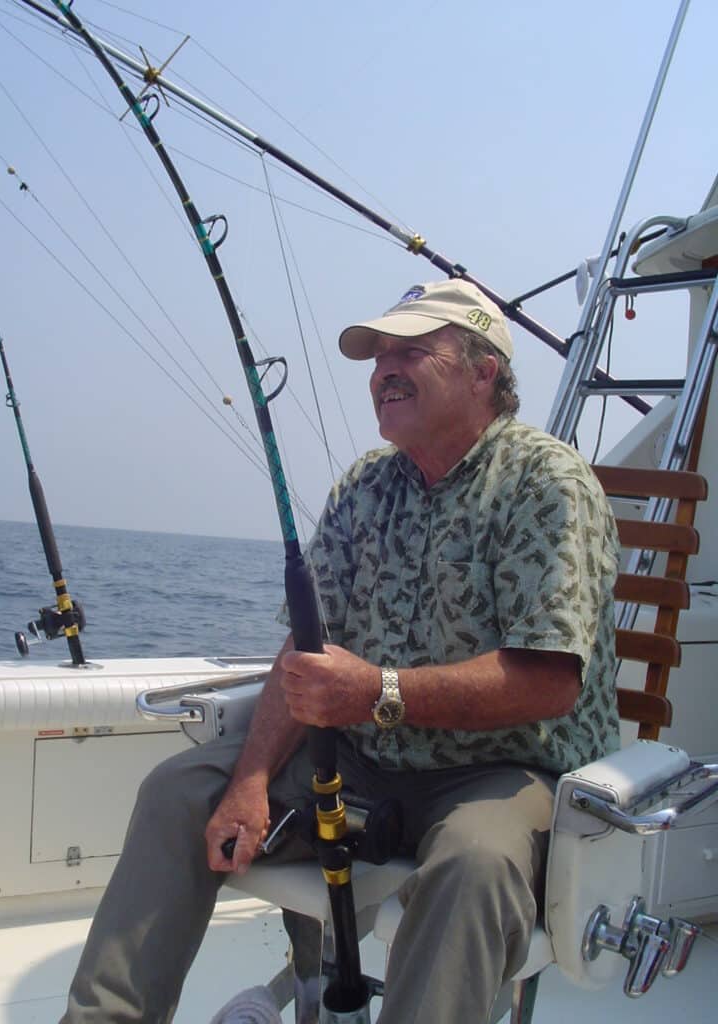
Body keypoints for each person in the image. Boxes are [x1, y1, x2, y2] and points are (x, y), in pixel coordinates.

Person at [61, 279, 620, 1024]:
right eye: (377, 355)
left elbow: (547, 683)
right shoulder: (365, 484)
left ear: (484, 371)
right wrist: (252, 779)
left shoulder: (547, 482)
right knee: (178, 791)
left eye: (411, 351)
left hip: (503, 768)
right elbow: (308, 649)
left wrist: (379, 692)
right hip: (360, 760)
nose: (384, 370)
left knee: (475, 867)